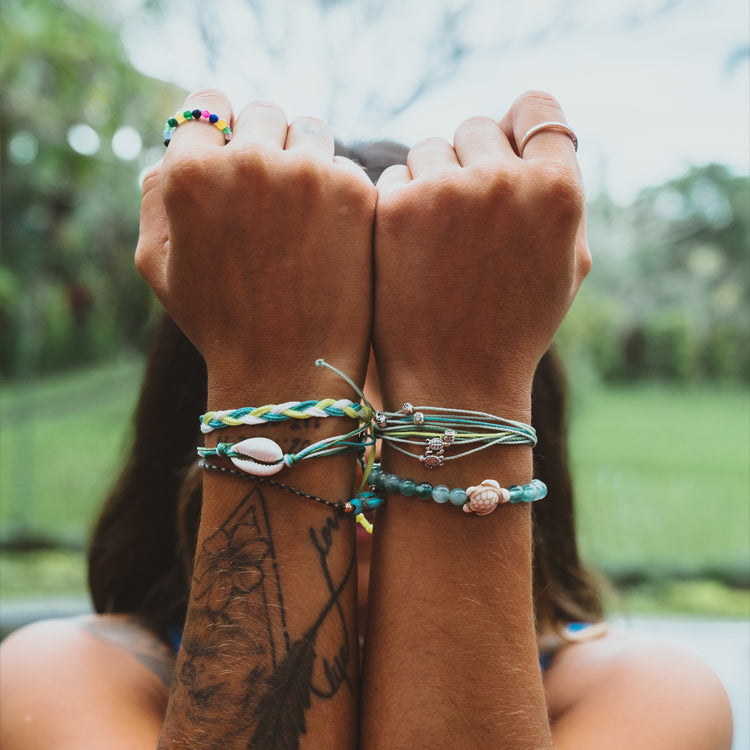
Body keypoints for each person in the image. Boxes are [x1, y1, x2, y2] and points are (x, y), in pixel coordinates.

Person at [0, 89, 733, 749]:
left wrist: (460, 382)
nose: (372, 430)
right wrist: (278, 374)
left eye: (409, 375)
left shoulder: (648, 698)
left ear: (518, 401)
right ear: (194, 411)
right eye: (341, 386)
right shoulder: (61, 680)